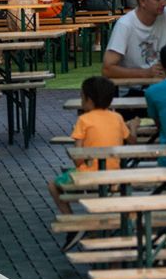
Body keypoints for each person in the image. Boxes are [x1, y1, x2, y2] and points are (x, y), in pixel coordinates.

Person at [52, 75, 132, 213]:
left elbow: (78, 158)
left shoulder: (83, 120)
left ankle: (71, 220)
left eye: (81, 96)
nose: (81, 99)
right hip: (115, 173)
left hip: (90, 174)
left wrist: (80, 164)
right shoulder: (117, 118)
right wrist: (134, 127)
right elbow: (132, 140)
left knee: (53, 186)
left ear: (88, 100)